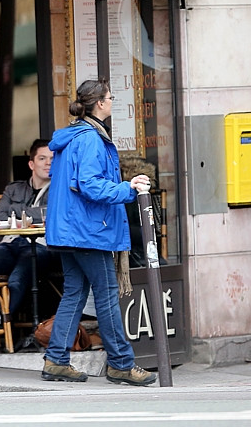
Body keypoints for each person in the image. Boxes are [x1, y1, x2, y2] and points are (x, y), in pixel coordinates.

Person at [41, 78, 156, 386]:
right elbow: (90, 185)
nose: (113, 101)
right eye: (110, 97)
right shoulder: (91, 138)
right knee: (105, 296)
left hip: (71, 231)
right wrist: (127, 188)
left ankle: (56, 360)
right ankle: (121, 363)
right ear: (100, 103)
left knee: (75, 294)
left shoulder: (74, 137)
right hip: (89, 230)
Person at [0, 139, 59, 330]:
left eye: (53, 159)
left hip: (41, 247)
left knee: (18, 276)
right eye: (42, 158)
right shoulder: (14, 188)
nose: (48, 163)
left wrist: (18, 212)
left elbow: (55, 214)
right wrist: (35, 214)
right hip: (9, 243)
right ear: (31, 164)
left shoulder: (60, 190)